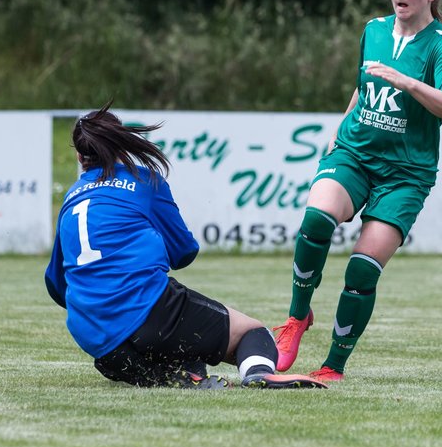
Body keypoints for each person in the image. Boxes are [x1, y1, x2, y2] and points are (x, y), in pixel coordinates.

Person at [273, 0, 442, 382]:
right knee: (317, 219)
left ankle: (332, 367)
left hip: (405, 174)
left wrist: (408, 82)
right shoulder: (374, 30)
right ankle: (296, 319)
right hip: (355, 153)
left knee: (362, 269)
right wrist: (338, 131)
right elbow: (362, 88)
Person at [45, 103, 326, 390]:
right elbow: (183, 252)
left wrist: (102, 308)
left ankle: (176, 373)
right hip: (149, 312)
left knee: (179, 347)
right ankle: (259, 374)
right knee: (253, 333)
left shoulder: (71, 198)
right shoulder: (143, 181)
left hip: (98, 342)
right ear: (121, 146)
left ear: (80, 156)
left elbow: (56, 285)